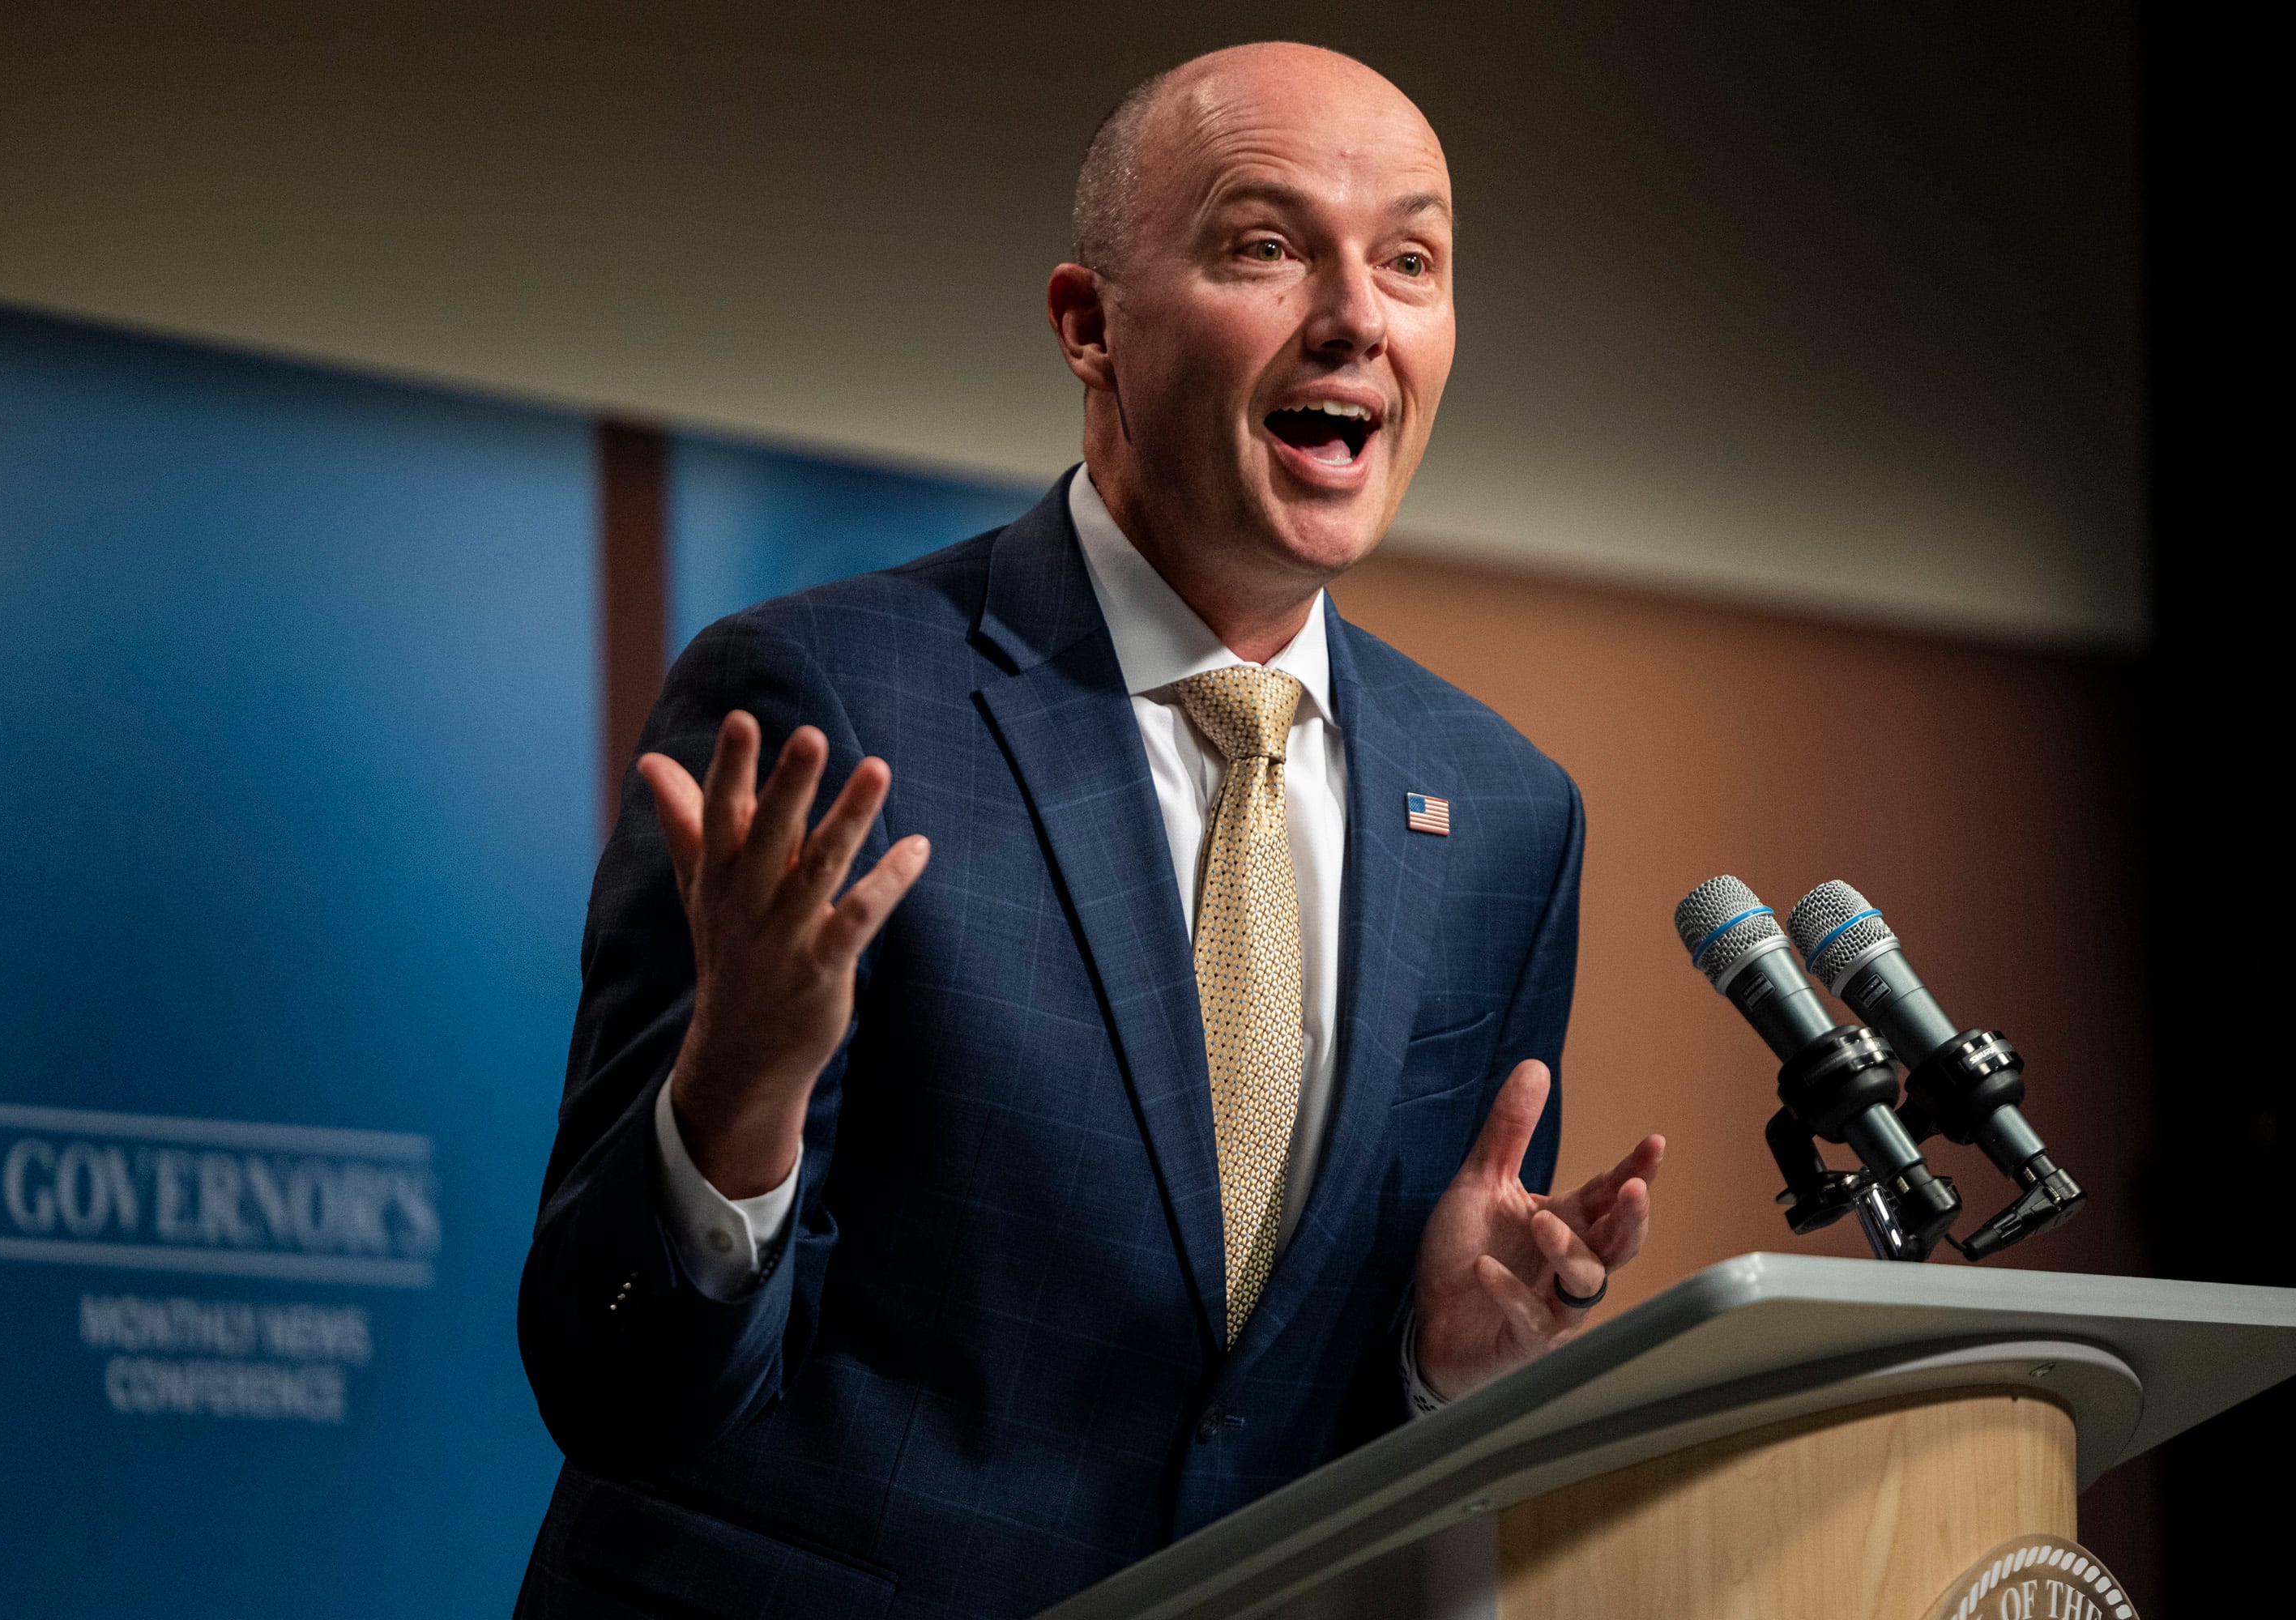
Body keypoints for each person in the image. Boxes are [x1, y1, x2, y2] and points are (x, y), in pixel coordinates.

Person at [514, 41, 1664, 1620]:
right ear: (1089, 326)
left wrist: (1440, 1370)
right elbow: (612, 1376)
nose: (1358, 316)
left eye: (1411, 260)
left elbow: (1293, 1433)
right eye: (1269, 247)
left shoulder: (1509, 816)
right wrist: (736, 1095)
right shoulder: (826, 701)